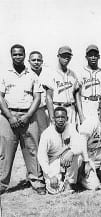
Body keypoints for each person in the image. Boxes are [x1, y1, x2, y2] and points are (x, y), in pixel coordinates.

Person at [0, 44, 45, 195]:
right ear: (11, 56)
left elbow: (37, 98)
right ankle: (2, 183)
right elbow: (0, 97)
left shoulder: (32, 75)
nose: (17, 57)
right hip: (8, 117)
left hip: (28, 116)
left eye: (20, 54)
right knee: (5, 151)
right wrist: (10, 117)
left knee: (32, 149)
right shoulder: (4, 74)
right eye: (15, 55)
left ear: (25, 55)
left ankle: (37, 181)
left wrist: (26, 116)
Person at [38, 107, 85, 194]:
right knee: (54, 190)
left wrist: (71, 152)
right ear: (53, 118)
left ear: (67, 118)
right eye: (58, 117)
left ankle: (70, 182)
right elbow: (41, 156)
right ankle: (60, 179)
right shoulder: (47, 133)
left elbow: (80, 145)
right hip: (52, 162)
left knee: (78, 156)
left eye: (62, 117)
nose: (60, 120)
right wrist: (51, 175)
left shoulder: (71, 128)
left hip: (67, 158)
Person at [42, 46, 84, 125]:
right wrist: (52, 116)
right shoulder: (51, 73)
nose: (66, 58)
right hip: (57, 109)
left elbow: (77, 96)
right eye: (64, 56)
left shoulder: (73, 74)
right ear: (58, 56)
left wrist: (81, 115)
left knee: (71, 134)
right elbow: (48, 97)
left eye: (68, 56)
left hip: (71, 109)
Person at [78, 45, 101, 119]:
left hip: (99, 104)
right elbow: (77, 95)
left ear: (99, 57)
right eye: (90, 55)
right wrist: (80, 114)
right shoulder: (81, 72)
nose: (93, 57)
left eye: (95, 55)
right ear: (86, 57)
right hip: (85, 104)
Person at [28, 51, 50, 140]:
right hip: (31, 110)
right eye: (33, 60)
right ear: (29, 61)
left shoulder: (47, 74)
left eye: (38, 60)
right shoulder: (26, 74)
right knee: (33, 136)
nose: (36, 62)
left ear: (42, 61)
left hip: (45, 109)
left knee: (46, 134)